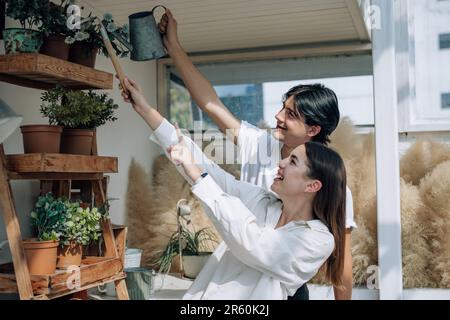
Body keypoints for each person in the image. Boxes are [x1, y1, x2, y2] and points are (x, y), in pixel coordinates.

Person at [157, 10, 356, 299]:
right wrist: (173, 47)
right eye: (282, 107)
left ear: (313, 129)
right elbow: (211, 104)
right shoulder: (260, 144)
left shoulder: (331, 185)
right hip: (238, 281)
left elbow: (342, 260)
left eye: (290, 114)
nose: (277, 117)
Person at [119, 76, 347, 299]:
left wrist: (198, 175)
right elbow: (206, 168)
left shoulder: (318, 240)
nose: (281, 162)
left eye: (293, 161)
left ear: (313, 185)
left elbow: (251, 242)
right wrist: (145, 109)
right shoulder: (263, 200)